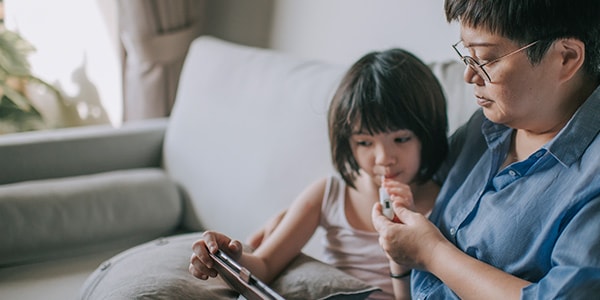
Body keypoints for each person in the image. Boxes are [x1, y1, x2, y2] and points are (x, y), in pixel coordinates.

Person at [371, 0, 600, 299]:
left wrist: (431, 253)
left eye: (487, 59)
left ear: (566, 58)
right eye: (467, 54)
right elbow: (423, 185)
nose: (470, 75)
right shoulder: (488, 124)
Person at [189, 48, 449, 300]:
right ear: (347, 142)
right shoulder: (330, 194)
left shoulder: (446, 202)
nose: (383, 159)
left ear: (427, 134)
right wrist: (226, 260)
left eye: (401, 139)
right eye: (365, 143)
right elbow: (265, 265)